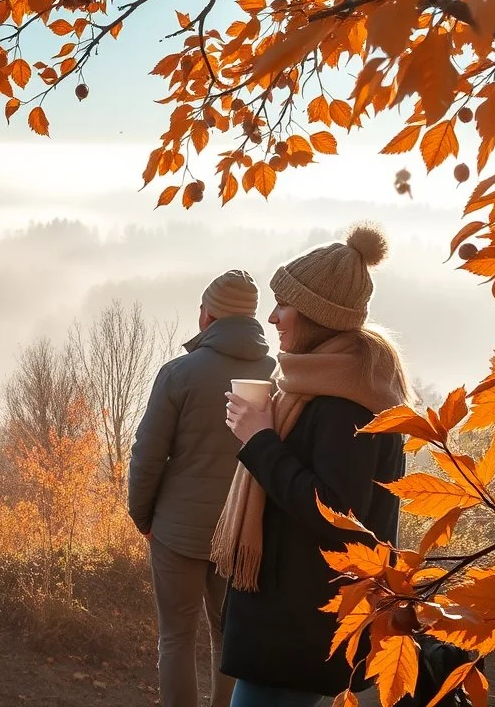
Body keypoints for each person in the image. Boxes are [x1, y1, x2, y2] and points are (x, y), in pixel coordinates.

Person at [214, 222, 411, 706]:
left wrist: (259, 440)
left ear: (315, 316)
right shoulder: (317, 388)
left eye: (284, 304)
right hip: (294, 620)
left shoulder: (345, 406)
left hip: (301, 623)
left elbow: (339, 515)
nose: (273, 316)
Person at [128, 269, 276, 707]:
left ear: (207, 315)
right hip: (244, 532)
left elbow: (148, 455)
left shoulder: (179, 373)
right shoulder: (279, 375)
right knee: (228, 638)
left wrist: (143, 516)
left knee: (176, 637)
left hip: (177, 530)